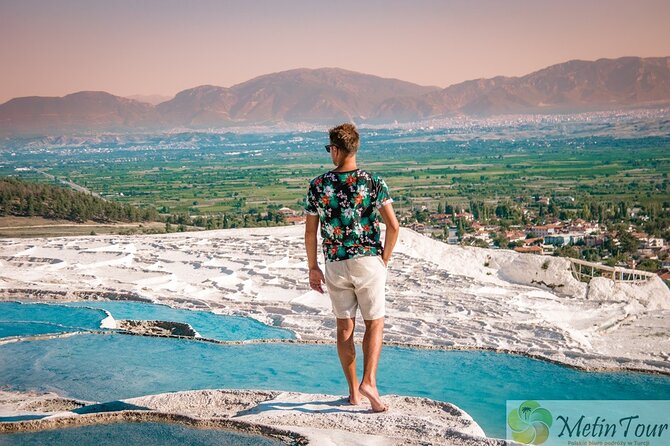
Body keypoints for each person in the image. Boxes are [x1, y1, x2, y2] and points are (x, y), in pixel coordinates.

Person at [304, 123, 399, 412]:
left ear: (336, 149)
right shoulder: (373, 182)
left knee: (345, 326)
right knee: (375, 322)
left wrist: (313, 268)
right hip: (368, 260)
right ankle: (369, 382)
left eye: (329, 149)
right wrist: (382, 260)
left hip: (335, 262)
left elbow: (310, 232)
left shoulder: (318, 186)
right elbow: (393, 227)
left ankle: (353, 393)